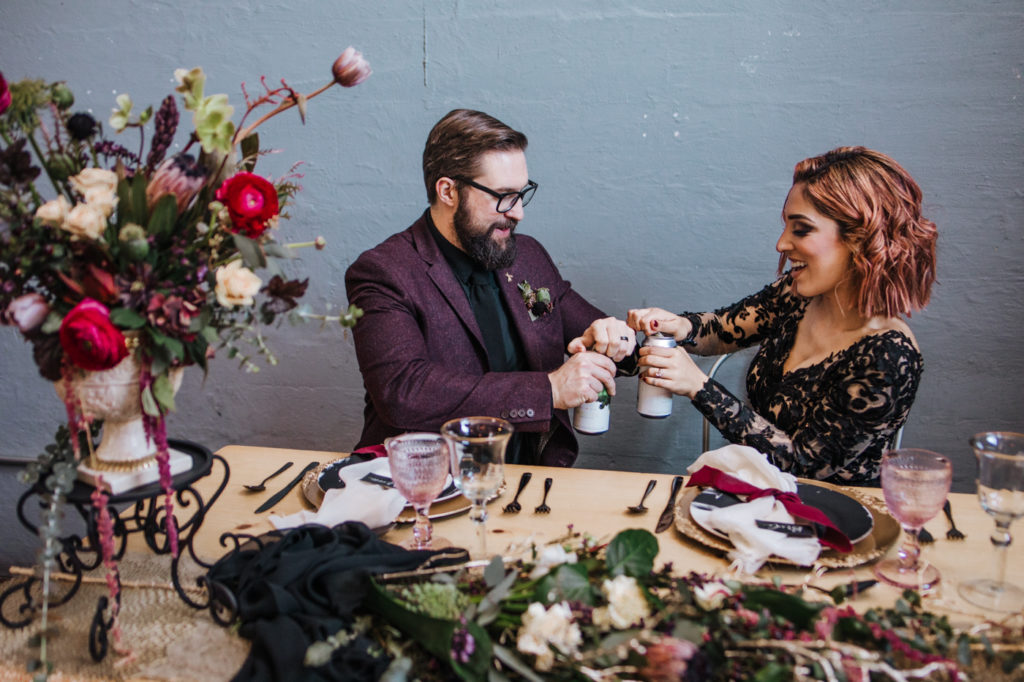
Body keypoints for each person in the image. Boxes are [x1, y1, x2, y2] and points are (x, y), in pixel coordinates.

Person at [617, 146, 937, 486]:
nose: (781, 244)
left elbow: (804, 462)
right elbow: (724, 329)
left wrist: (699, 387)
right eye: (786, 226)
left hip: (838, 521)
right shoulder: (797, 296)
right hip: (764, 501)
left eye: (800, 230)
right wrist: (677, 327)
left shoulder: (889, 355)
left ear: (861, 238)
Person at [345, 109, 634, 467]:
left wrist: (617, 337)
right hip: (426, 485)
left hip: (528, 481)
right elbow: (404, 391)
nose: (517, 213)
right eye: (503, 196)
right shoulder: (383, 272)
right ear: (448, 191)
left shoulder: (527, 255)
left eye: (521, 194)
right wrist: (550, 390)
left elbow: (589, 330)